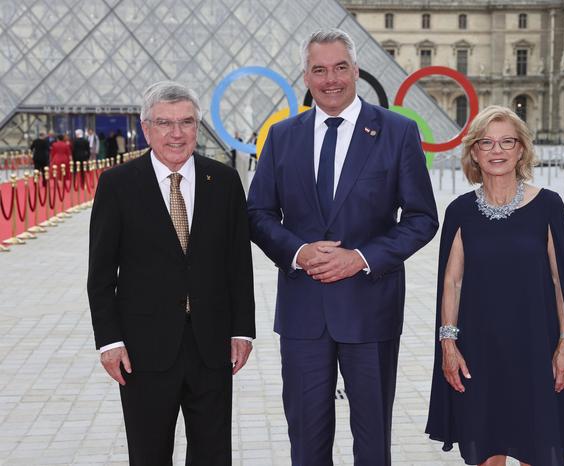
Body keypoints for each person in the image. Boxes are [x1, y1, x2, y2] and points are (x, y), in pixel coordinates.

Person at [247, 28, 438, 465]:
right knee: (306, 440)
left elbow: (422, 218)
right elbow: (256, 214)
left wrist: (362, 258)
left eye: (339, 68)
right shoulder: (281, 137)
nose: (330, 79)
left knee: (373, 441)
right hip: (303, 313)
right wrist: (298, 252)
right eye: (319, 70)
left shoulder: (397, 132)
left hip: (370, 310)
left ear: (355, 70)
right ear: (306, 76)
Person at [87, 81, 256, 465]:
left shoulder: (225, 181)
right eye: (165, 123)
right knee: (148, 455)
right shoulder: (117, 185)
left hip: (212, 348)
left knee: (213, 455)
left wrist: (242, 330)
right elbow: (100, 275)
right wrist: (109, 342)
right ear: (146, 128)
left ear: (198, 126)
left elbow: (237, 265)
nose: (176, 134)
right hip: (143, 351)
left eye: (187, 122)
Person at [425, 105, 564, 466]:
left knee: (538, 451)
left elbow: (560, 281)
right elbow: (451, 282)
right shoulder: (459, 211)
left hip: (538, 348)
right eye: (487, 143)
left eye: (507, 142)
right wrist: (448, 343)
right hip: (479, 349)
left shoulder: (549, 205)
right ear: (474, 151)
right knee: (487, 452)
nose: (497, 151)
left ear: (521, 149)